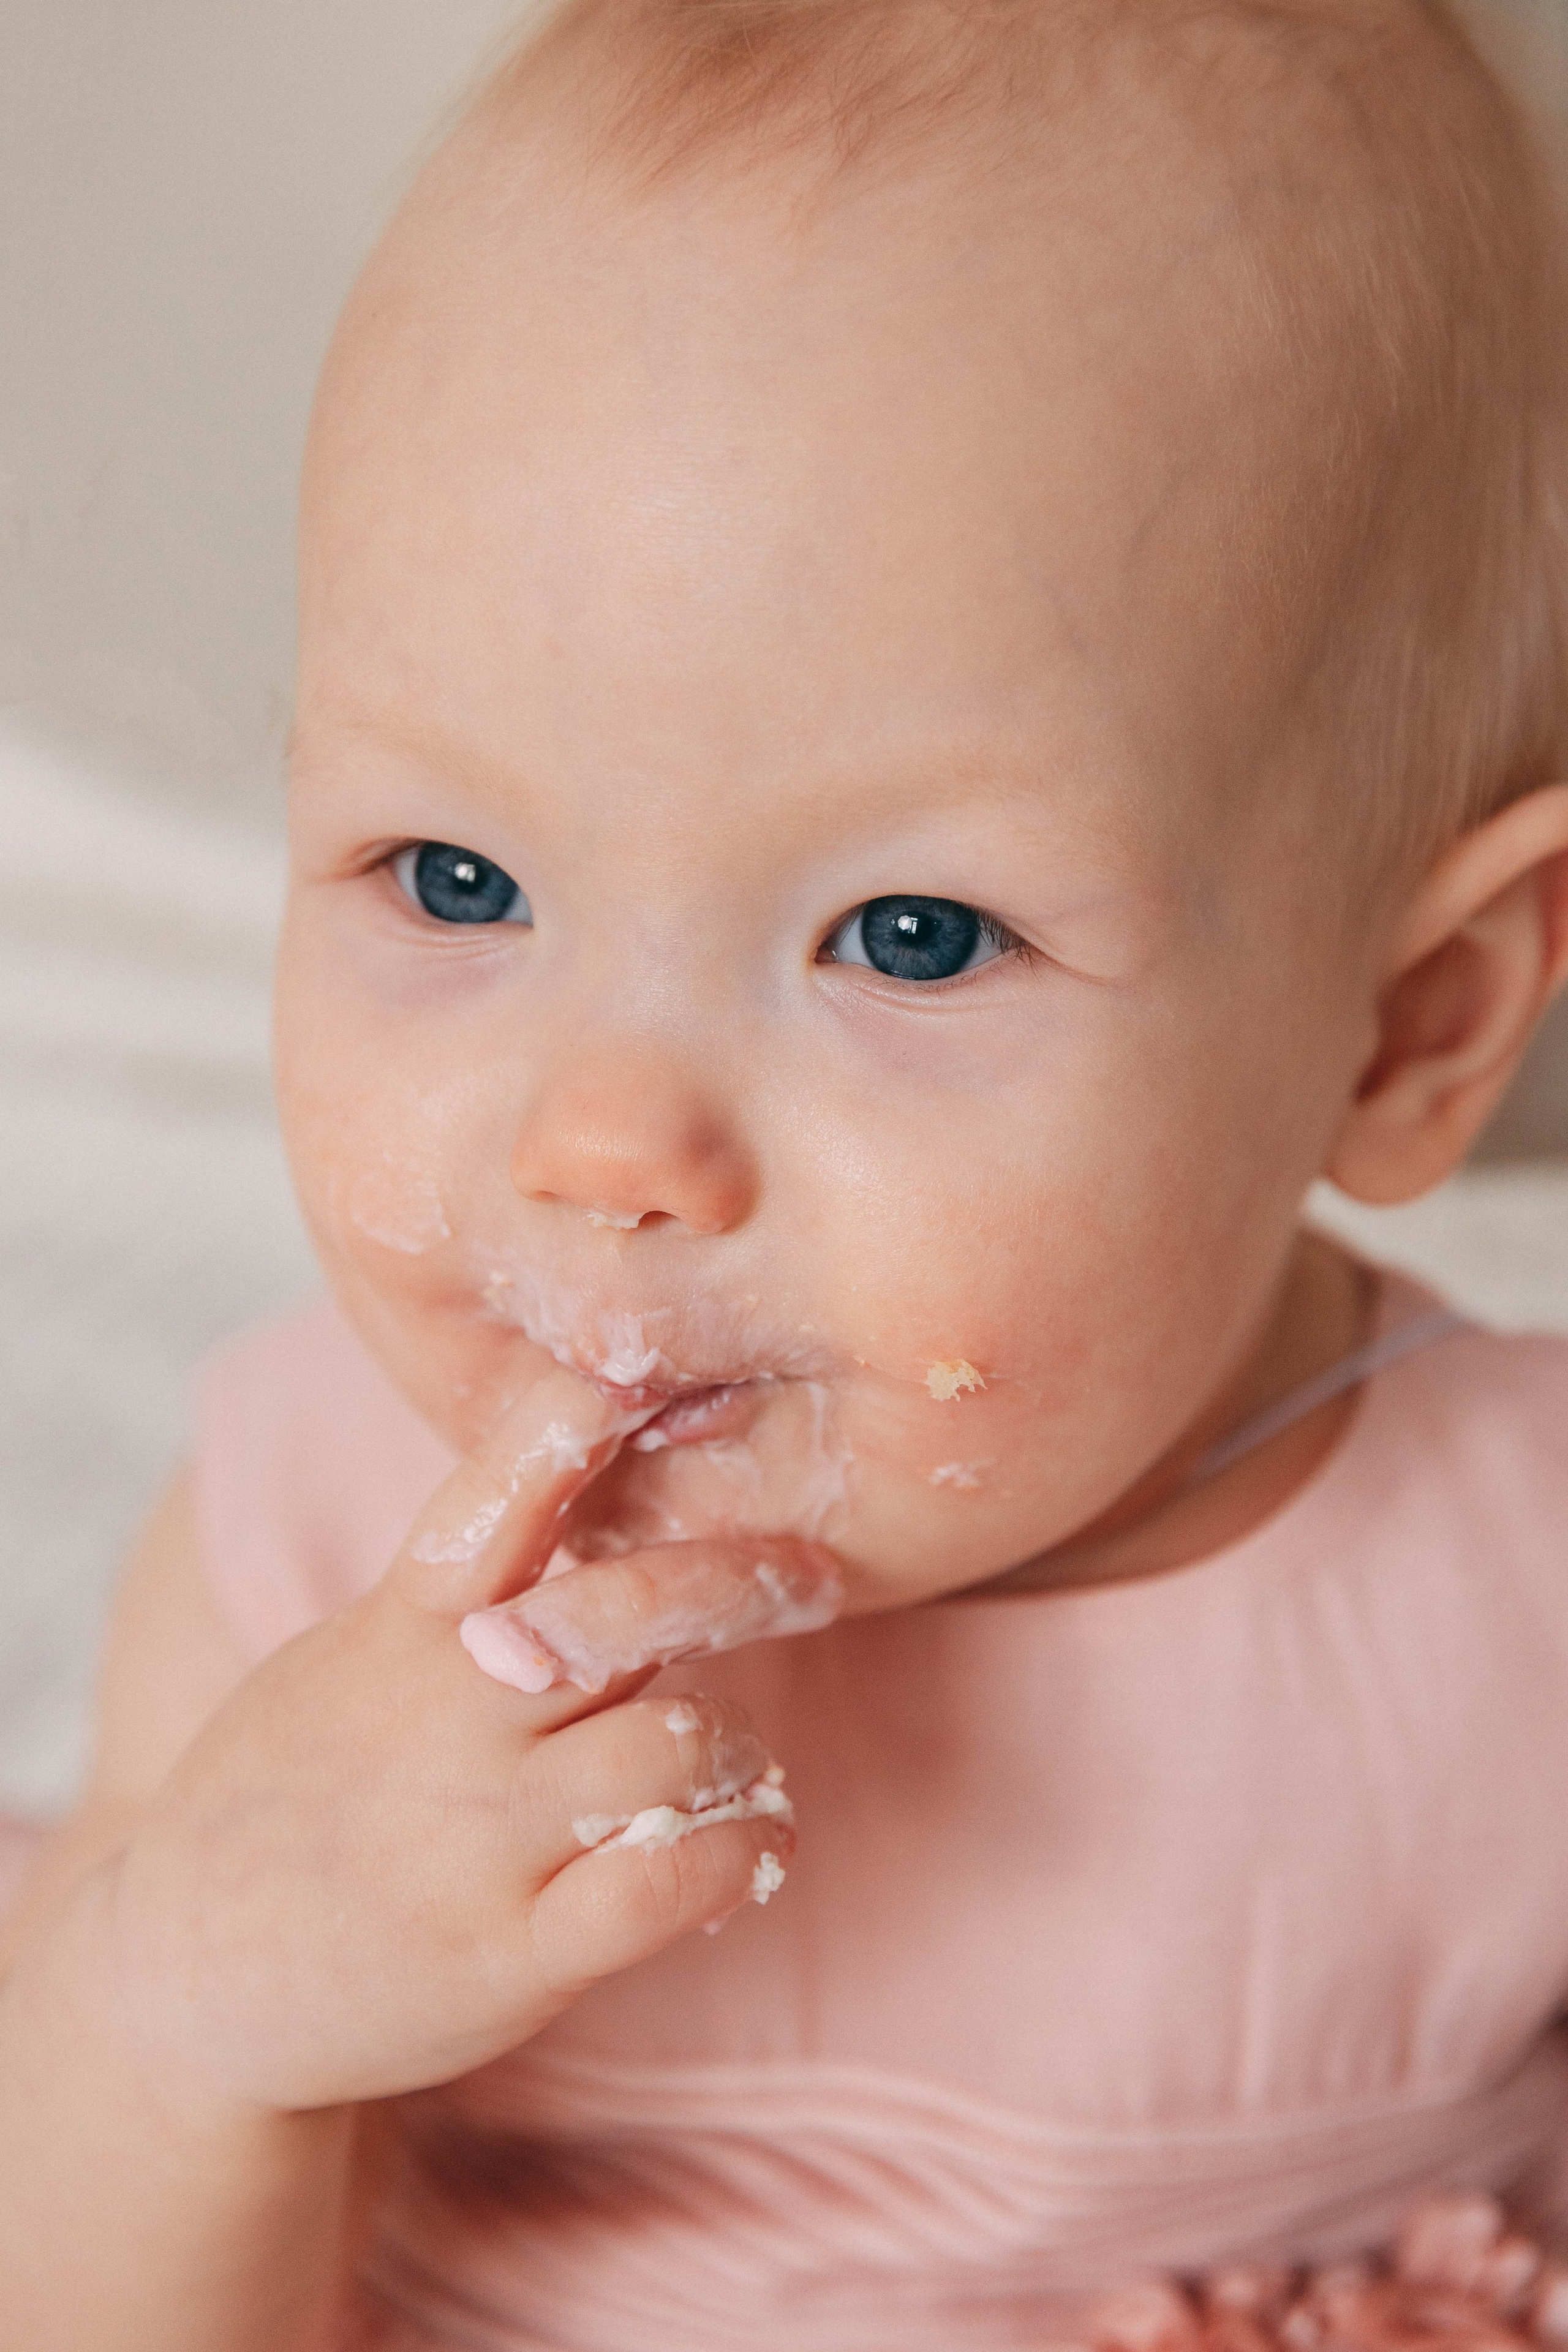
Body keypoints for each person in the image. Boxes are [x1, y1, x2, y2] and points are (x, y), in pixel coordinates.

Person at [4, 1, 1568, 2345]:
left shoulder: (1517, 1579)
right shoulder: (305, 1573)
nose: (601, 1147)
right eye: (451, 881)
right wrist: (185, 2007)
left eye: (909, 939)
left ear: (1411, 1025)